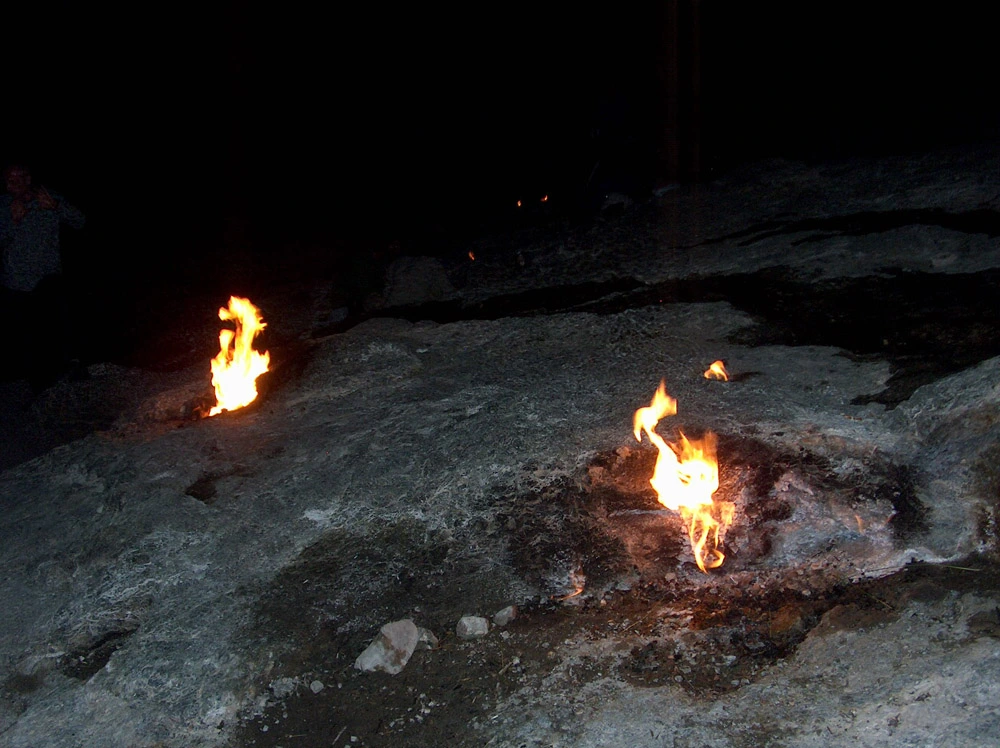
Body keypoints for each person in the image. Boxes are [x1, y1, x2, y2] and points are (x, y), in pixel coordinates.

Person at [0, 164, 86, 389]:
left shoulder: (47, 196)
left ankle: (68, 375)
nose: (16, 182)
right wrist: (12, 221)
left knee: (59, 328)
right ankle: (34, 384)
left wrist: (56, 206)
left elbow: (80, 221)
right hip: (17, 281)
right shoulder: (2, 206)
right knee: (26, 337)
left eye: (21, 177)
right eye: (10, 179)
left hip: (49, 277)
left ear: (29, 178)